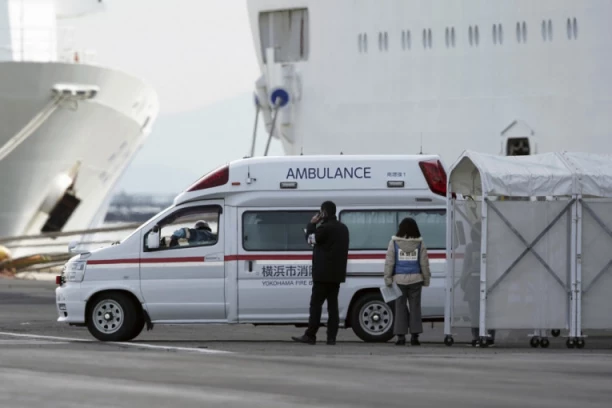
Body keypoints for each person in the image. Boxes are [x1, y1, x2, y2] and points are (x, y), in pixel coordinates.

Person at [292, 201, 349, 345]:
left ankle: (310, 335)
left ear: (324, 212)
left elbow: (311, 240)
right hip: (336, 275)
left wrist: (312, 224)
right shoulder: (343, 228)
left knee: (316, 305)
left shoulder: (324, 229)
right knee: (333, 307)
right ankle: (331, 337)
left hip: (322, 274)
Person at [383, 217, 431, 346]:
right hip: (416, 279)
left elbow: (389, 262)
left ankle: (401, 337)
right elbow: (424, 264)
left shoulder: (394, 243)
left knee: (400, 308)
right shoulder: (420, 243)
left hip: (399, 280)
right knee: (415, 307)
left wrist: (387, 278)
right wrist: (426, 279)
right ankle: (415, 336)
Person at [459, 223, 495, 346]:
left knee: (474, 312)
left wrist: (463, 283)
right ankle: (490, 335)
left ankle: (476, 336)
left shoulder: (470, 248)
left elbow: (465, 267)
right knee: (490, 311)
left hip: (472, 283)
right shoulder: (491, 246)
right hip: (491, 283)